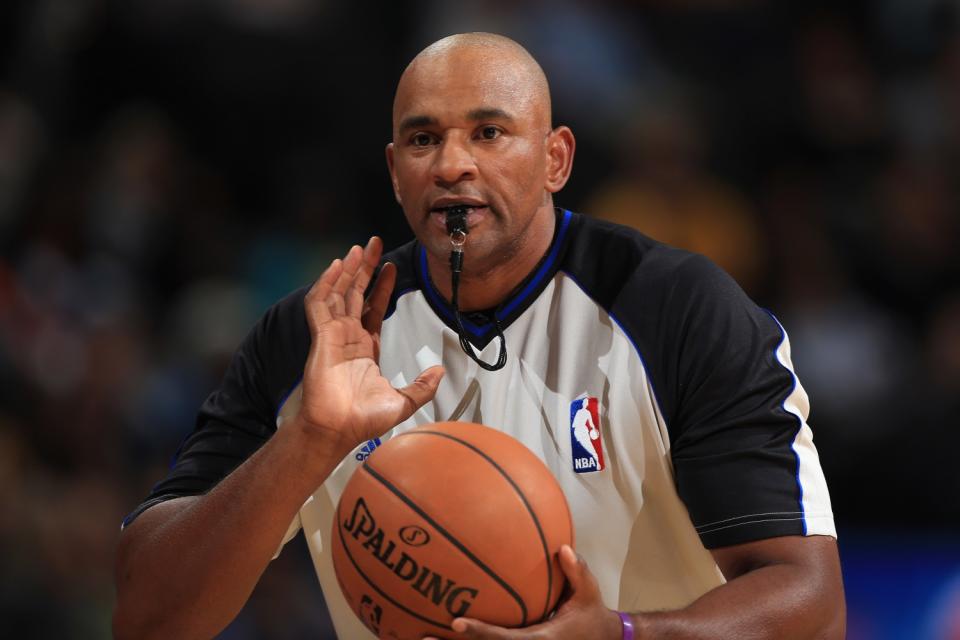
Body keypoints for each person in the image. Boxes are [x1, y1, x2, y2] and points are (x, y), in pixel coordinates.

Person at [113, 33, 845, 639]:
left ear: (556, 158)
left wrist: (625, 635)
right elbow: (149, 616)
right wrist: (307, 440)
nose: (452, 163)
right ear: (397, 173)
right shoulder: (318, 338)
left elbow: (808, 601)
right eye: (424, 139)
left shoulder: (677, 310)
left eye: (489, 132)